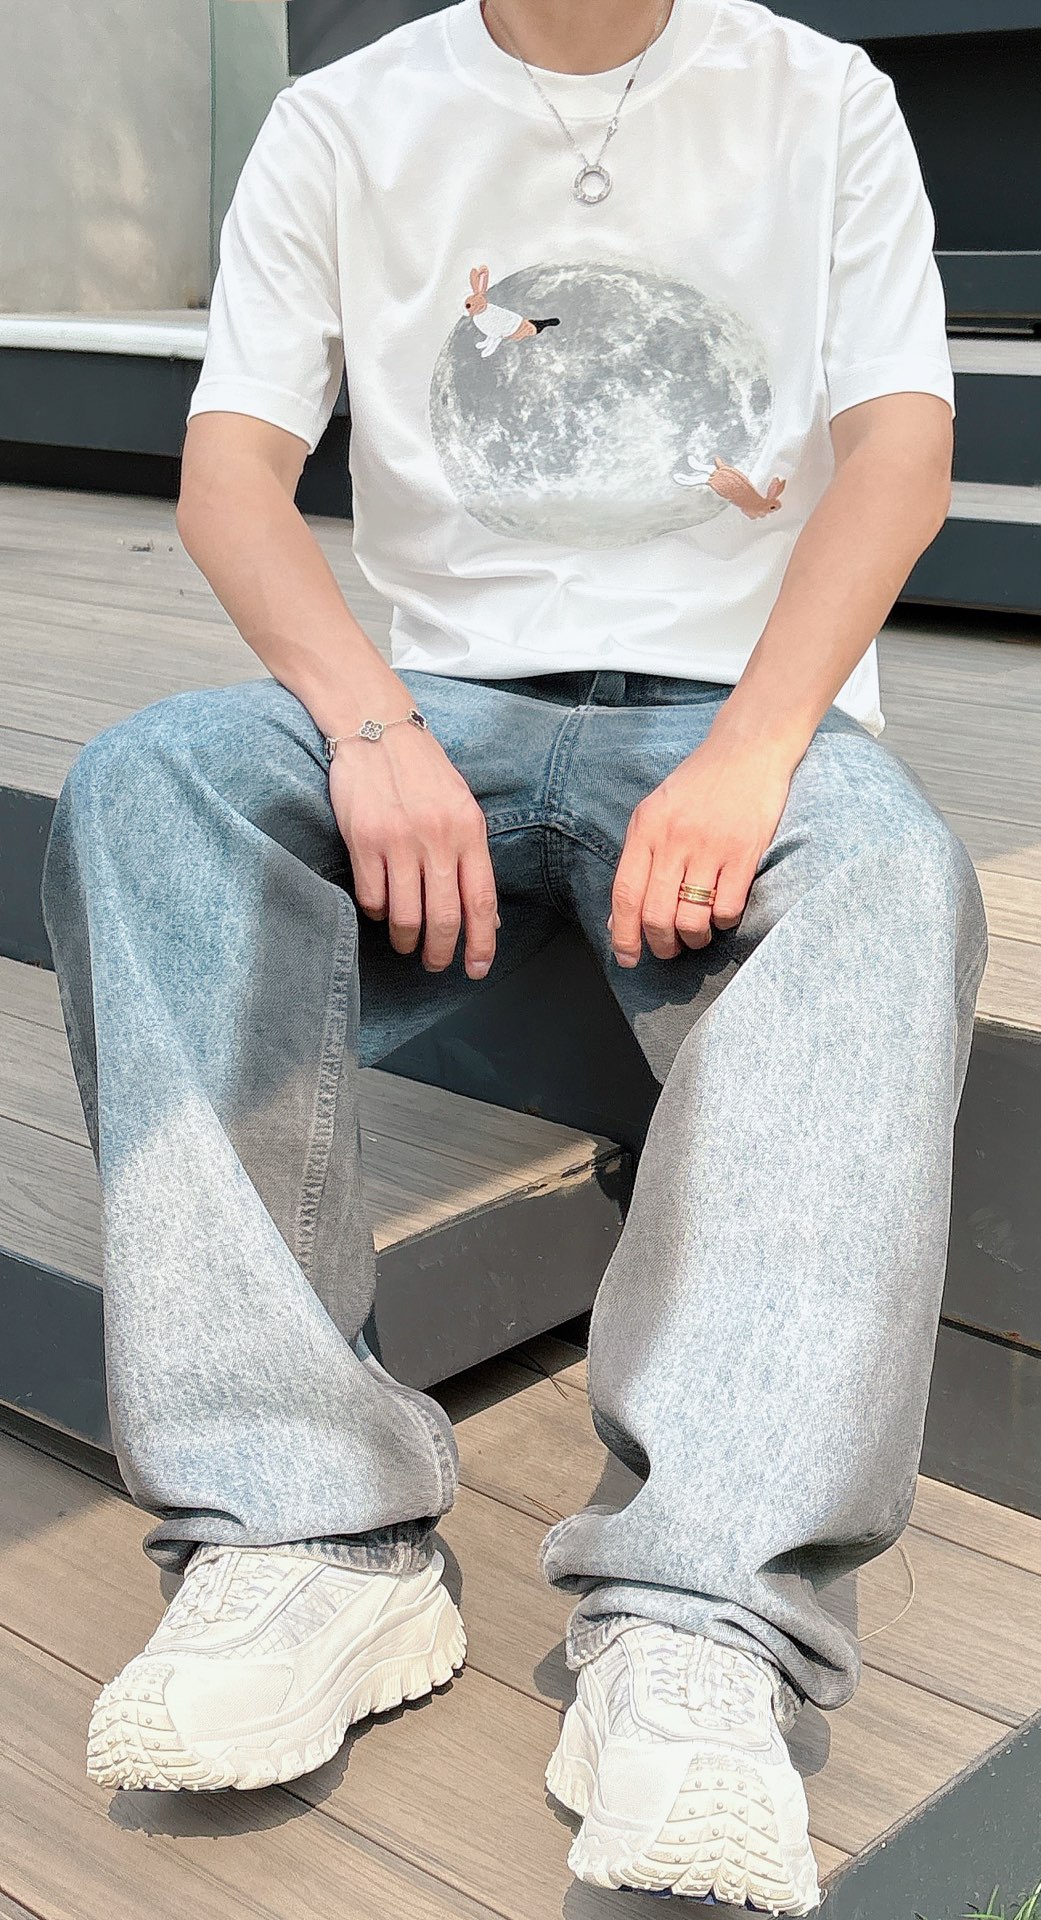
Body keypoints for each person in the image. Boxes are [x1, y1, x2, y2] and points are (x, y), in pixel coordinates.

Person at [42, 0, 987, 1909]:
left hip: (734, 709)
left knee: (895, 878)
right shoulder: (341, 121)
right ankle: (307, 1537)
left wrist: (754, 751)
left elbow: (901, 453)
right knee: (147, 786)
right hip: (442, 701)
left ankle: (702, 1620)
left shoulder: (821, 96)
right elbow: (230, 473)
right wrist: (372, 726)